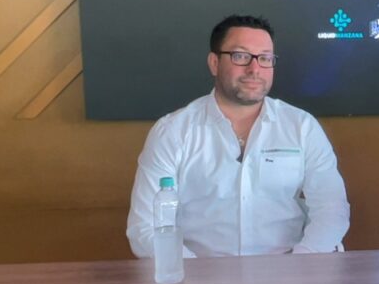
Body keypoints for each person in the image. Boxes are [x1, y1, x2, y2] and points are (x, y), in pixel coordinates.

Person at [127, 15, 350, 258]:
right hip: (199, 270)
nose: (254, 69)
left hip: (291, 266)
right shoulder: (173, 131)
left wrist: (300, 265)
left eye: (265, 58)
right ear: (214, 63)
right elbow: (145, 227)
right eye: (241, 56)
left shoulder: (302, 127)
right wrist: (195, 273)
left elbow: (332, 209)